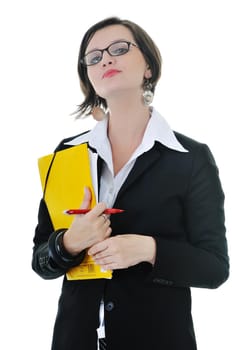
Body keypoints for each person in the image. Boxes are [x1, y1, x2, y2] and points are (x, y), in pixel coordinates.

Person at [32, 17, 229, 350]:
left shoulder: (190, 157)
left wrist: (149, 251)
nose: (105, 59)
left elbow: (214, 268)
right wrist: (68, 243)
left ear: (148, 66)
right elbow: (41, 263)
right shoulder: (67, 154)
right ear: (89, 78)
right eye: (93, 57)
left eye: (119, 49)